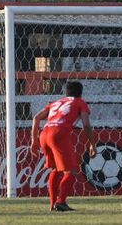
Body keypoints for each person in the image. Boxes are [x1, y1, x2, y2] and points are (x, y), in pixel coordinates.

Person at [30, 81, 97, 212]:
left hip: (44, 133)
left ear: (66, 92)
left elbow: (36, 118)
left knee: (55, 169)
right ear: (81, 93)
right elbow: (86, 125)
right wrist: (92, 144)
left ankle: (53, 204)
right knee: (70, 172)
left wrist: (34, 140)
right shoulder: (79, 102)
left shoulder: (55, 103)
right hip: (58, 133)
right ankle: (60, 202)